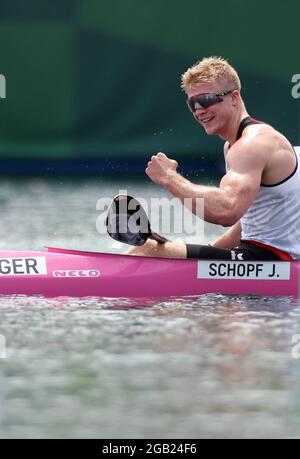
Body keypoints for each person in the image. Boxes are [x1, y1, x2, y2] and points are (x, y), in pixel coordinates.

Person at [128, 57, 300, 260]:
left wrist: (169, 177)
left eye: (206, 99)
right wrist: (207, 253)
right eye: (192, 104)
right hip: (261, 254)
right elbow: (249, 224)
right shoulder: (236, 145)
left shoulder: (252, 145)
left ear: (234, 98)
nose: (199, 110)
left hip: (274, 259)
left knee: (146, 250)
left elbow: (227, 211)